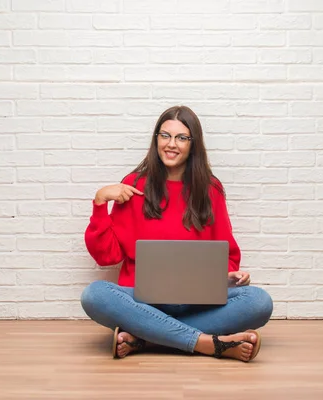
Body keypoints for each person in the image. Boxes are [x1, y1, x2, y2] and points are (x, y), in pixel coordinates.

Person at [80, 105, 273, 362]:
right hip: (142, 300)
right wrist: (100, 203)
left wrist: (227, 276)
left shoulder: (211, 189)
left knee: (259, 301)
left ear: (193, 144)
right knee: (95, 295)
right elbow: (107, 256)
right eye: (165, 135)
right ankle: (205, 343)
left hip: (196, 301)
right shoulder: (134, 185)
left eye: (181, 137)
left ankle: (146, 336)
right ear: (156, 139)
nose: (171, 144)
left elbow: (227, 252)